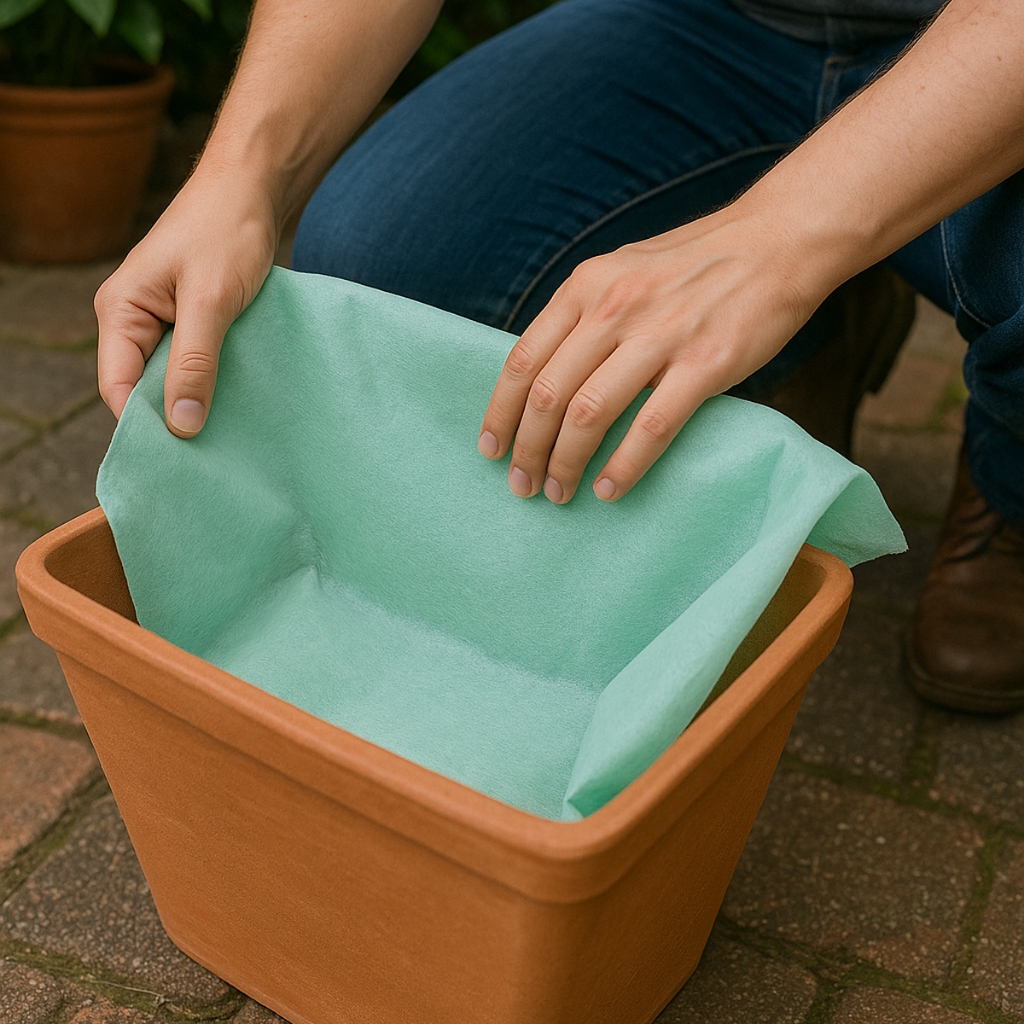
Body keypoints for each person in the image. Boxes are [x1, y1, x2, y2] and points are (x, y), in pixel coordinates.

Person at [94, 0, 1024, 712]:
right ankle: (825, 334)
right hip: (710, 25)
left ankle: (1007, 471)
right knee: (391, 254)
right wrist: (240, 176)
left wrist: (779, 246)